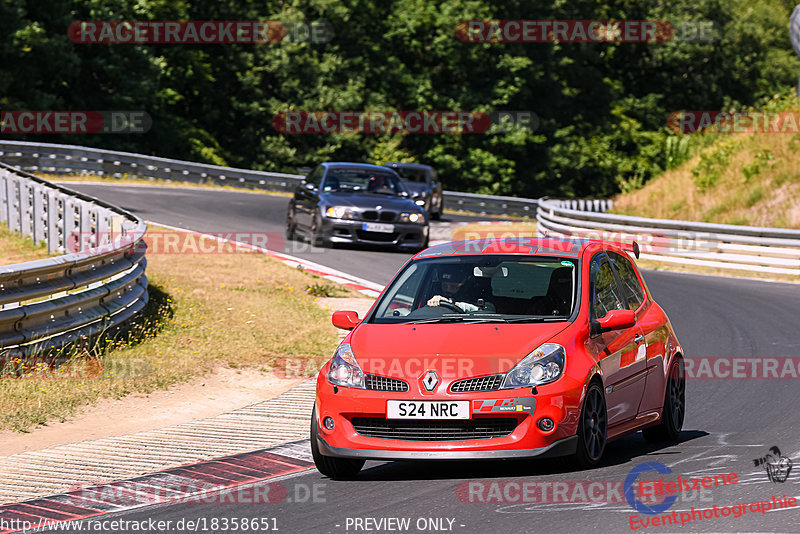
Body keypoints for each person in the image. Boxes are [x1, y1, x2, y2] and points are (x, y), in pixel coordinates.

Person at [427, 266, 493, 312]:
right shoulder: (432, 293)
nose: (448, 289)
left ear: (462, 284)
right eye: (444, 286)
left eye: (453, 286)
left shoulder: (475, 295)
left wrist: (455, 304)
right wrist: (434, 302)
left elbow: (488, 310)